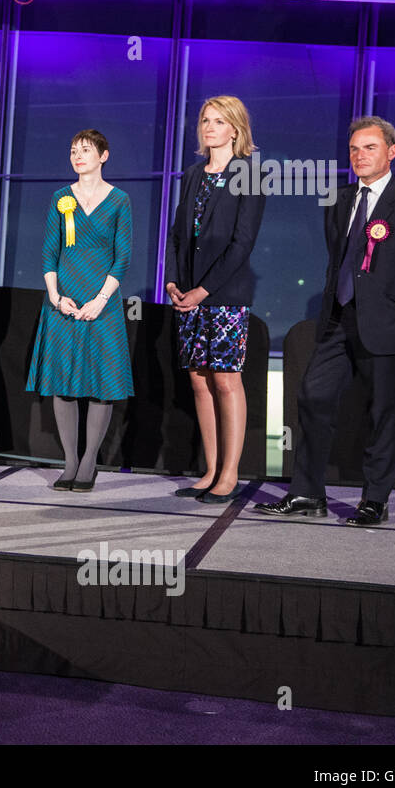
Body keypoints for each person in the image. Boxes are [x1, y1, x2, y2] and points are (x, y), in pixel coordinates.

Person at [256, 117, 395, 525]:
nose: (360, 156)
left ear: (391, 152)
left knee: (383, 411)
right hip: (338, 321)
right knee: (312, 396)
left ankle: (374, 500)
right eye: (354, 149)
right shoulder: (340, 199)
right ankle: (308, 493)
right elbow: (340, 260)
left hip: (389, 327)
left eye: (370, 148)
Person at [163, 96, 267, 504]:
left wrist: (203, 291)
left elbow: (243, 244)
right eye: (205, 120)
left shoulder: (250, 174)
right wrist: (172, 281)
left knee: (225, 380)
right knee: (199, 380)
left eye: (219, 121)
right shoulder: (192, 174)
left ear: (235, 130)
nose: (209, 127)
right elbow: (176, 234)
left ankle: (229, 474)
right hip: (187, 293)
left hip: (225, 294)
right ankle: (209, 469)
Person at [25, 130, 133, 491]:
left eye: (85, 150)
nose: (78, 155)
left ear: (104, 155)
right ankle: (69, 462)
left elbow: (122, 258)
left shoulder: (119, 200)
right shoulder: (61, 198)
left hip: (102, 302)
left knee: (101, 384)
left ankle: (89, 462)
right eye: (73, 150)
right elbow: (49, 252)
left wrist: (100, 299)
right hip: (64, 302)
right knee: (63, 383)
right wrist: (56, 296)